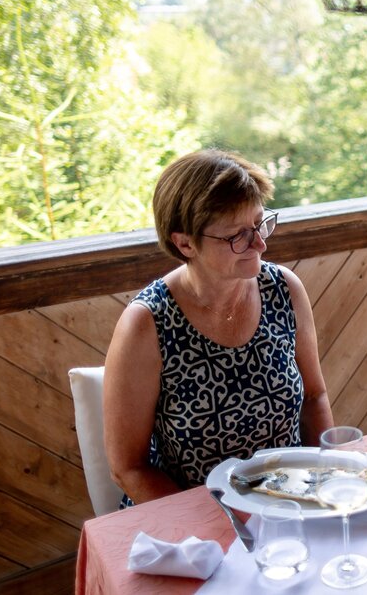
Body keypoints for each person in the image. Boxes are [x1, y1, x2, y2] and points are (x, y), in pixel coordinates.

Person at [103, 149, 333, 506]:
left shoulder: (283, 289)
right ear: (185, 243)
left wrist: (328, 482)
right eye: (237, 236)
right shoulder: (148, 322)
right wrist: (215, 524)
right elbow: (128, 467)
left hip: (289, 504)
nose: (260, 243)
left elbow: (313, 397)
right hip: (190, 520)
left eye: (260, 223)